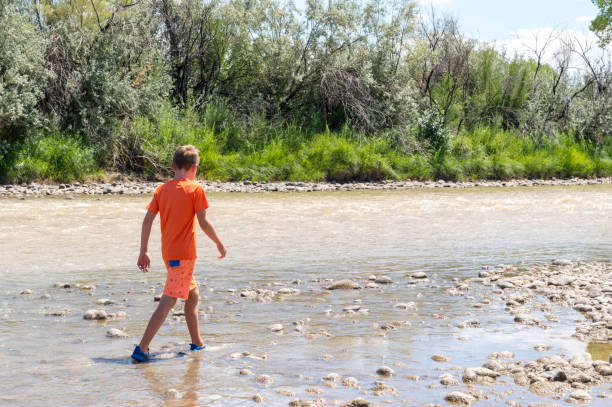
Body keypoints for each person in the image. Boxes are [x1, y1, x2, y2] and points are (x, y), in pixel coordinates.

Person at [131, 145, 226, 362]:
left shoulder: (162, 190)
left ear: (173, 166)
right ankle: (142, 347)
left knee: (192, 296)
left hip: (169, 254)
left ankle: (197, 343)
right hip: (183, 256)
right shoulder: (195, 190)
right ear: (194, 168)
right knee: (169, 300)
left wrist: (144, 251)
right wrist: (219, 243)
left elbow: (147, 220)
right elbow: (203, 221)